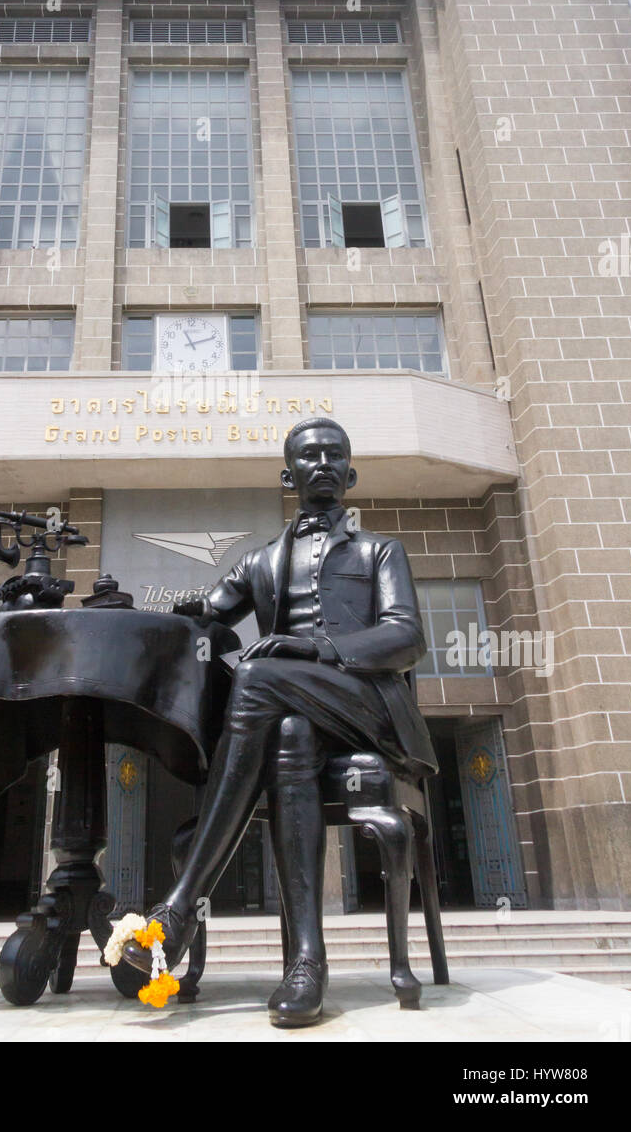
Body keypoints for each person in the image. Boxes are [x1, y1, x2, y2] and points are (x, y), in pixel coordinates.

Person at [123, 416, 437, 1026]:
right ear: (287, 474)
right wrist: (156, 614)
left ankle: (180, 907)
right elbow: (209, 614)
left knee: (258, 674)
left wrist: (315, 649)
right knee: (288, 732)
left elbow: (406, 636)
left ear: (350, 473)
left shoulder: (380, 551)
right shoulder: (261, 562)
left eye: (334, 455)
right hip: (295, 718)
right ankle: (306, 966)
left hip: (367, 708)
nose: (321, 463)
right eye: (308, 456)